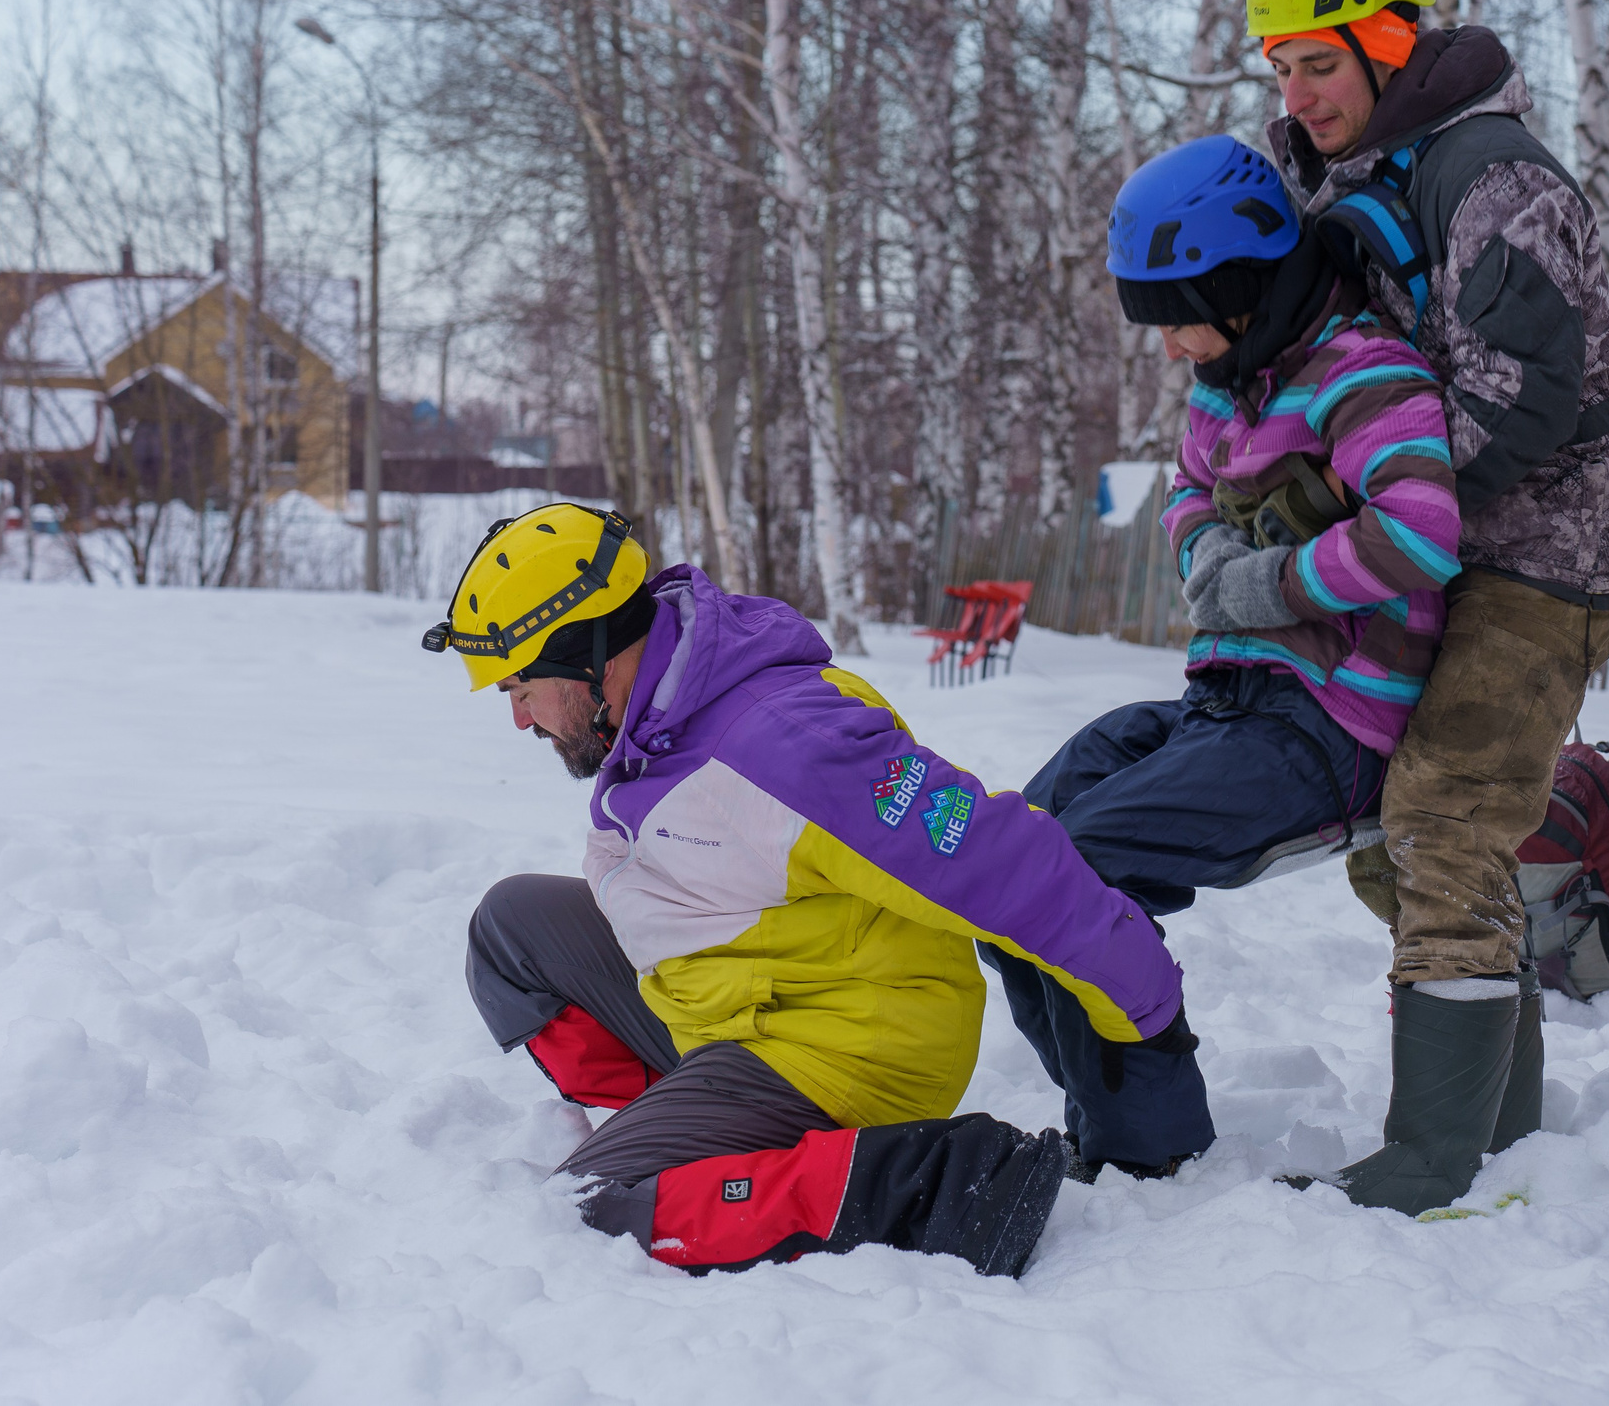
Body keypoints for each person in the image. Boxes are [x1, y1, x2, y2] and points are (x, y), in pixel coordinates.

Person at [436, 505, 1190, 1277]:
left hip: (849, 1043)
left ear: (588, 654)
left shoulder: (787, 744)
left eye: (522, 685)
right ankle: (699, 1126)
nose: (520, 717)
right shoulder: (656, 709)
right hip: (745, 1004)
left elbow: (1004, 861)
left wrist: (1148, 1013)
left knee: (596, 1208)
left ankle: (929, 1185)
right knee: (510, 929)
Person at [1246, 0, 1609, 1214]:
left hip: (1556, 545)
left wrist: (1367, 527)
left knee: (1443, 821)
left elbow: (1520, 393)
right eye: (1278, 67)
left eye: (1319, 60)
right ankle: (1503, 1123)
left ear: (1384, 39)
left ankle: (1437, 1155)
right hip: (1465, 542)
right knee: (1398, 828)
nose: (1298, 91)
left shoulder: (1493, 176)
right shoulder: (1374, 173)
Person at [993, 135, 1460, 1180]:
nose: (1167, 350)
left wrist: (1268, 584)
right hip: (1226, 704)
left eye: (1173, 320)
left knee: (1083, 867)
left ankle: (1141, 1147)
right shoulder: (1228, 383)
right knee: (1007, 855)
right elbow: (1190, 492)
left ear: (1237, 287)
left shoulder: (1361, 377)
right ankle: (1102, 1113)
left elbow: (1422, 530)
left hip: (1331, 721)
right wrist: (1204, 544)